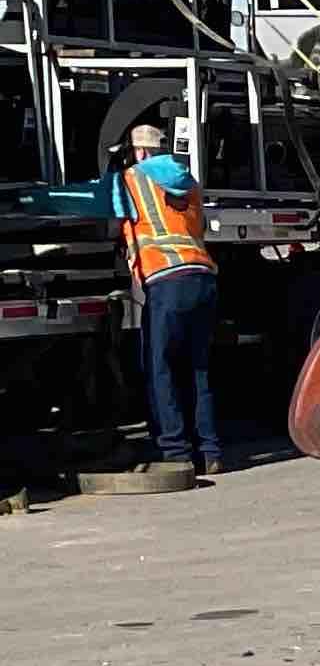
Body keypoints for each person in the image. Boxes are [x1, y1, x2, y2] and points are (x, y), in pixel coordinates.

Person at [113, 119, 220, 484]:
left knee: (161, 367)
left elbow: (112, 219)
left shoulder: (131, 179)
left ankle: (174, 451)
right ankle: (209, 451)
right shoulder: (189, 181)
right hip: (203, 277)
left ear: (139, 151)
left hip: (166, 281)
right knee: (198, 367)